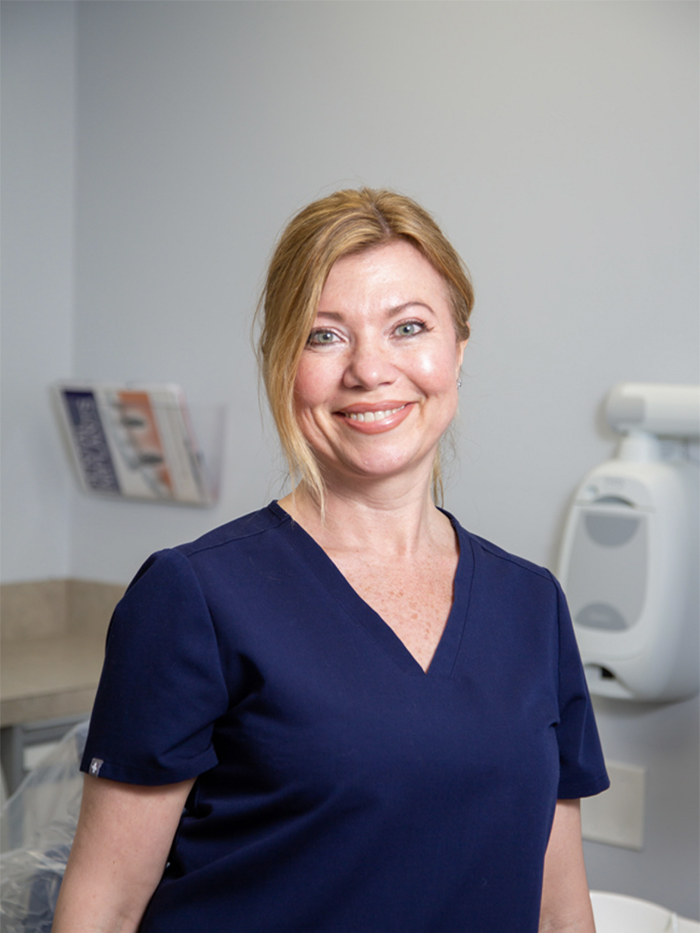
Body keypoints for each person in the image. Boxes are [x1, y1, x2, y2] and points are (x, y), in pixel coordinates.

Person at [52, 188, 609, 933]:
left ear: (458, 349)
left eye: (409, 327)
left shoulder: (530, 604)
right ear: (282, 362)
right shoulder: (195, 596)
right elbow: (105, 908)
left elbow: (560, 910)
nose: (369, 370)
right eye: (324, 336)